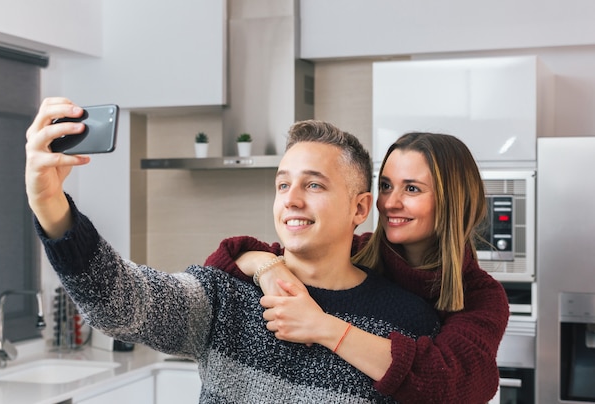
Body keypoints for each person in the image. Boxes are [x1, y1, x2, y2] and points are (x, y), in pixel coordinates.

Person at [25, 97, 441, 403]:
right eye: (282, 184)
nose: (291, 199)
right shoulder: (228, 295)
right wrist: (50, 205)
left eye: (313, 184)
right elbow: (122, 301)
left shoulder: (405, 321)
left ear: (360, 208)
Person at [204, 131, 510, 403]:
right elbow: (225, 264)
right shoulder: (357, 249)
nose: (390, 202)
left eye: (412, 189)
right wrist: (267, 267)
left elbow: (452, 386)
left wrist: (323, 326)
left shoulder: (481, 296)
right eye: (386, 186)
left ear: (453, 201)